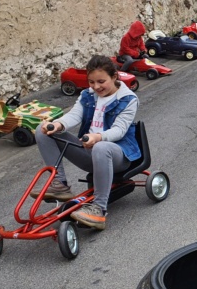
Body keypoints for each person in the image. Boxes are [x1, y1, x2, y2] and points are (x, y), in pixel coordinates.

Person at [31, 55, 139, 230]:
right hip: (89, 151)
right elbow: (74, 115)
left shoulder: (128, 99)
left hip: (118, 155)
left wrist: (98, 137)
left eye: (101, 81)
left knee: (101, 147)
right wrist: (58, 124)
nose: (96, 87)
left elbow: (119, 130)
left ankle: (99, 208)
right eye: (91, 82)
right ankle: (60, 185)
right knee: (42, 131)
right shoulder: (87, 95)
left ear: (114, 77)